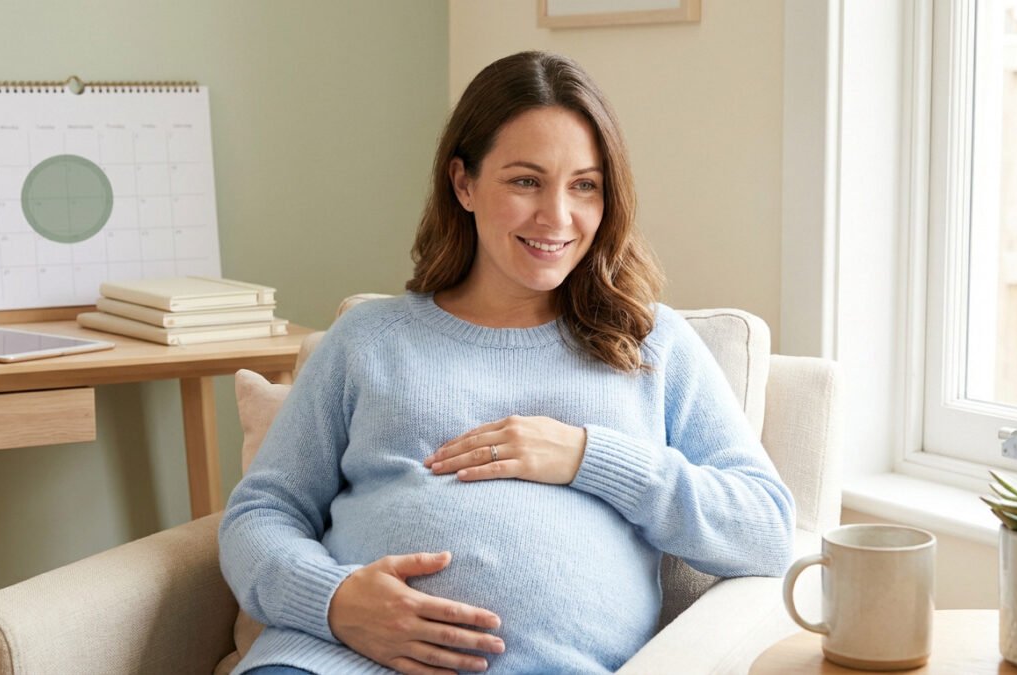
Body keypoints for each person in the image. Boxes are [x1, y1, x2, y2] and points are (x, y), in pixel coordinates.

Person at [219, 50, 795, 675]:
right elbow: (261, 514)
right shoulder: (367, 339)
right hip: (330, 661)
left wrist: (585, 457)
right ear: (463, 183)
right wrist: (331, 601)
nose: (556, 216)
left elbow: (764, 530)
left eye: (584, 185)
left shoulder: (652, 343)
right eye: (525, 181)